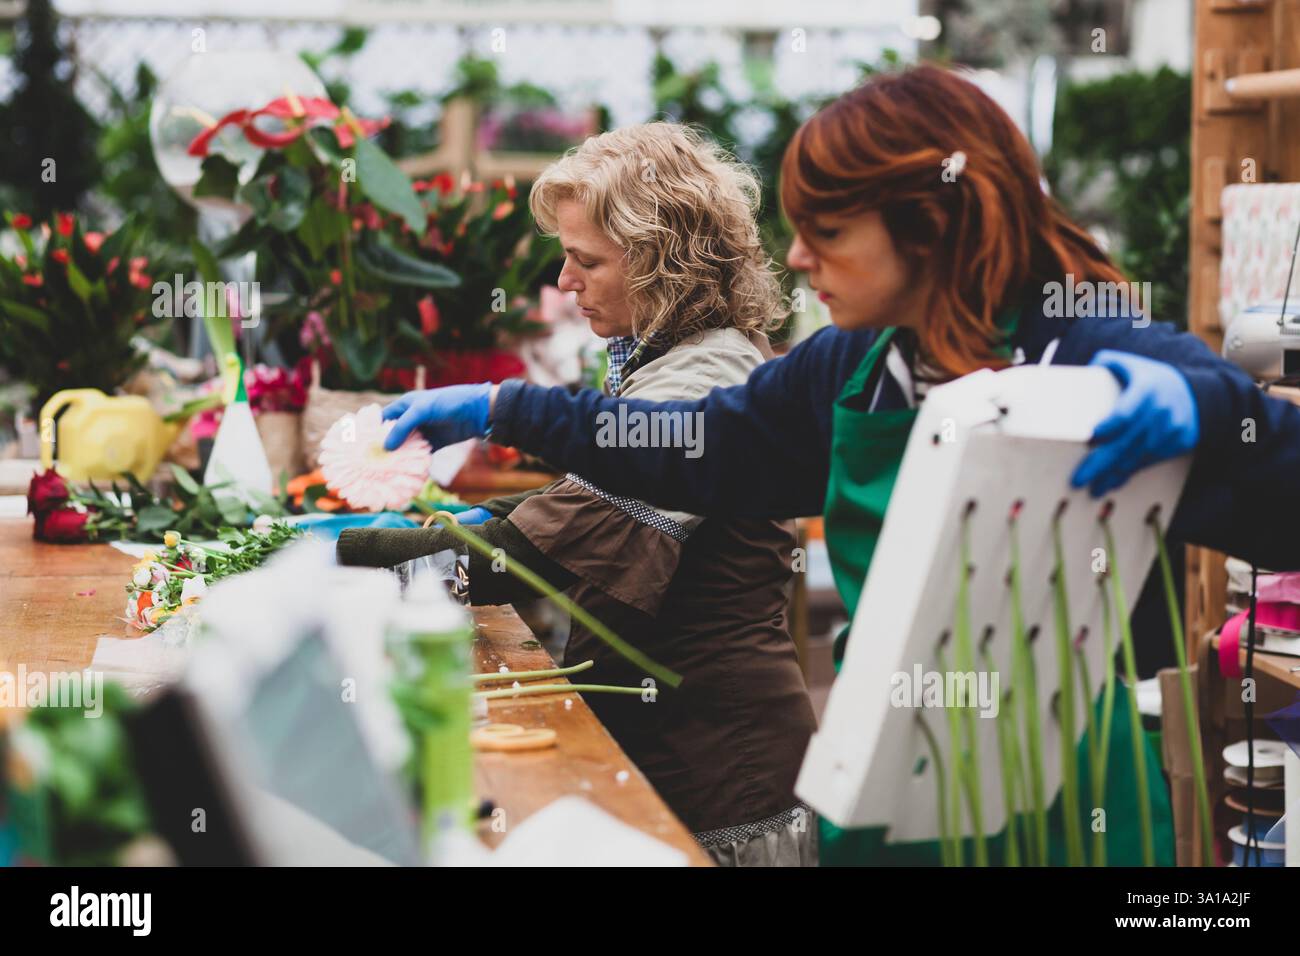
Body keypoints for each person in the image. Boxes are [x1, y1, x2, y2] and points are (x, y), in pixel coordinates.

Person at [377, 66, 1300, 864]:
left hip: (1056, 799)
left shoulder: (1081, 341)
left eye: (829, 231)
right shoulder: (853, 362)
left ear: (931, 226)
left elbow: (1279, 493)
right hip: (885, 783)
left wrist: (1208, 416)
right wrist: (510, 409)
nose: (797, 256)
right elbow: (700, 447)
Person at [340, 123, 818, 866]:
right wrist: (444, 521)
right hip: (683, 761)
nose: (565, 283)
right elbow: (561, 512)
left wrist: (329, 552)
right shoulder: (665, 360)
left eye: (584, 261)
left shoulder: (704, 375)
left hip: (720, 777)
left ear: (664, 263)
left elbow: (524, 559)